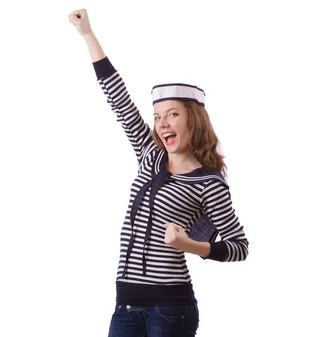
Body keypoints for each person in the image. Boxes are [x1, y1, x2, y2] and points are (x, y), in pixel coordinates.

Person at [69, 9, 249, 337]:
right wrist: (88, 35)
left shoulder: (209, 182)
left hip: (169, 310)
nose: (162, 123)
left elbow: (239, 246)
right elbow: (119, 100)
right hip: (124, 306)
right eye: (157, 117)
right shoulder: (149, 155)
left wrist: (189, 244)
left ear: (193, 120)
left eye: (172, 114)